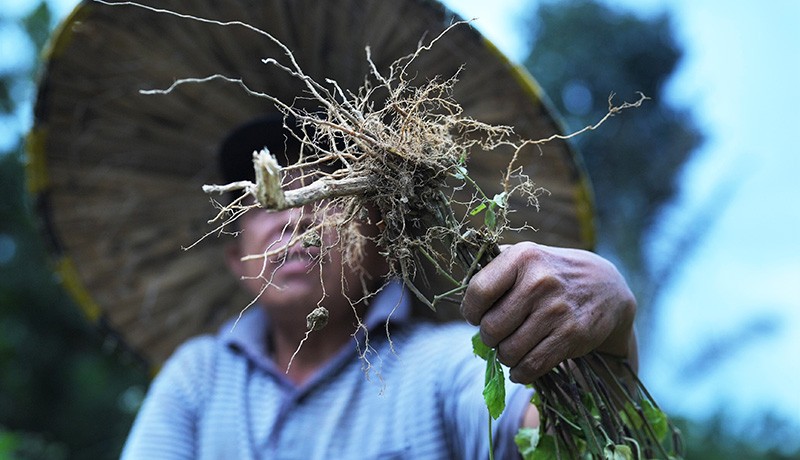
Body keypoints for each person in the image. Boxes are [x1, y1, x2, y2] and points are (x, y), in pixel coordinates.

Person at [119, 117, 638, 459]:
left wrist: (613, 323)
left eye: (326, 189)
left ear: (383, 238)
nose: (293, 216)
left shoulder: (446, 366)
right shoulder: (199, 379)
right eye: (264, 198)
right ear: (237, 259)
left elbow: (570, 436)